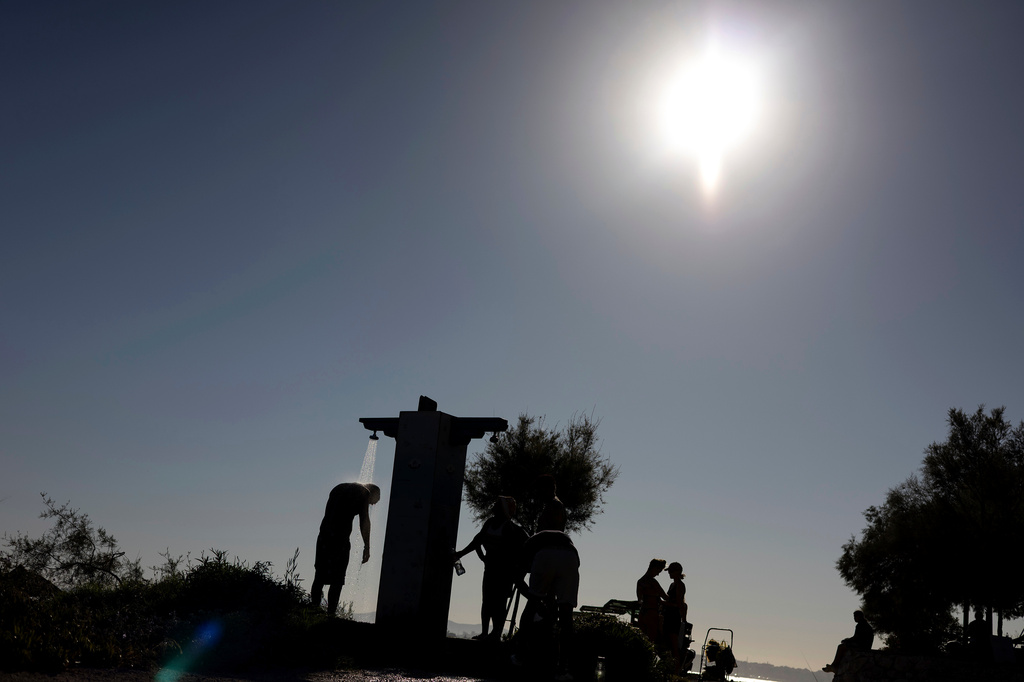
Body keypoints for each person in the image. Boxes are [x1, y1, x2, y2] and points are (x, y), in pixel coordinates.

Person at [454, 495, 529, 641]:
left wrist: (485, 558)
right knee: (487, 601)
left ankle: (495, 633)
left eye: (497, 505)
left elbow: (510, 552)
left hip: (503, 572)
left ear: (503, 509)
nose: (493, 507)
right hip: (490, 569)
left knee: (499, 603)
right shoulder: (489, 523)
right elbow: (478, 540)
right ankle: (484, 632)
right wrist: (470, 555)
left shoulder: (508, 527)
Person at [514, 530, 580, 681]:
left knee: (530, 607)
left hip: (546, 555)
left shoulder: (527, 547)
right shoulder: (551, 539)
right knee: (566, 614)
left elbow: (518, 580)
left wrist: (536, 602)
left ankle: (519, 656)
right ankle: (563, 667)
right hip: (571, 556)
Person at [310, 482, 381, 616]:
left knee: (319, 574)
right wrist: (367, 547)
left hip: (324, 535)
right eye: (374, 502)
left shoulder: (339, 487)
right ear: (373, 493)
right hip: (339, 539)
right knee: (337, 578)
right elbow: (364, 520)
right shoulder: (363, 493)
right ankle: (330, 614)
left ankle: (313, 610)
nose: (372, 505)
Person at [663, 561, 688, 674]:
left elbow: (679, 604)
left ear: (677, 572)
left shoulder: (679, 585)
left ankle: (677, 669)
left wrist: (665, 604)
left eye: (671, 572)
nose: (669, 574)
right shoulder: (672, 585)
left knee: (674, 645)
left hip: (673, 617)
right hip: (669, 616)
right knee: (669, 644)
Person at [636, 558, 668, 644]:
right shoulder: (653, 582)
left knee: (642, 639)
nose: (658, 574)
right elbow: (665, 597)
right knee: (652, 640)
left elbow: (640, 599)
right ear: (654, 568)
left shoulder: (640, 581)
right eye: (658, 571)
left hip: (642, 613)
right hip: (652, 613)